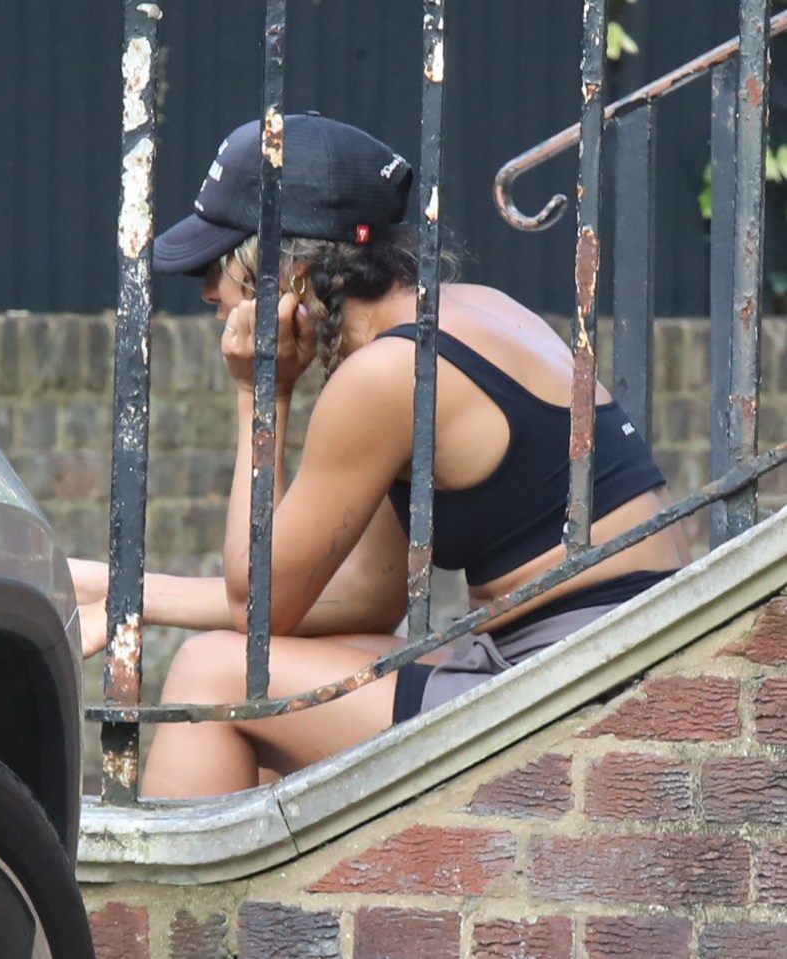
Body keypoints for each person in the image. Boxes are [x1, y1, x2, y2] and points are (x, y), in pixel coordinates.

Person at [72, 112, 690, 798]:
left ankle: (164, 908)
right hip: (603, 661)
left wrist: (261, 393)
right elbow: (364, 599)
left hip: (580, 691)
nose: (207, 292)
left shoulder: (390, 375)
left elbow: (260, 612)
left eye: (217, 266)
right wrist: (123, 592)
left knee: (211, 674)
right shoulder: (452, 317)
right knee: (298, 669)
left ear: (292, 273)